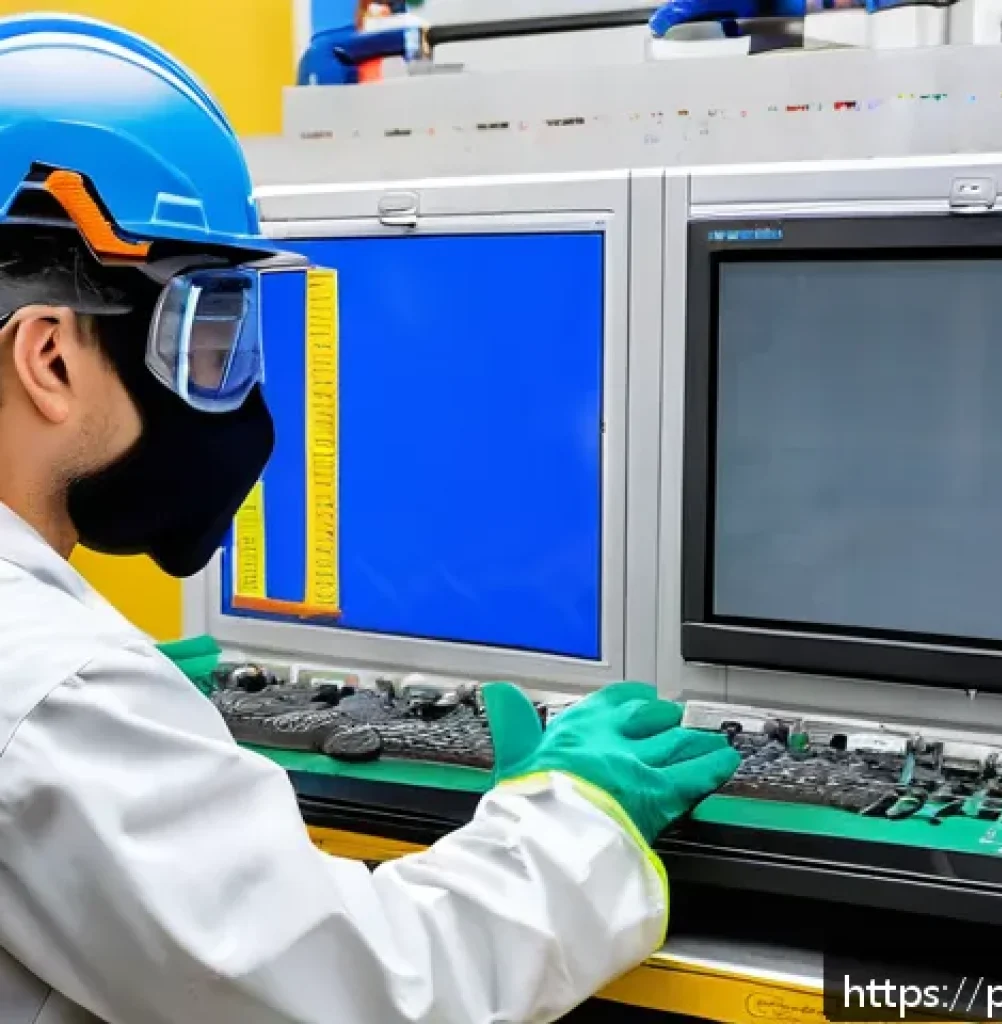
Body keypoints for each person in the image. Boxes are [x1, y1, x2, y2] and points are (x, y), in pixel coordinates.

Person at [0, 15, 741, 1024]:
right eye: (210, 329)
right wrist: (575, 816)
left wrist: (133, 745)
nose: (229, 386)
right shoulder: (49, 691)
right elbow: (381, 994)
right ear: (48, 358)